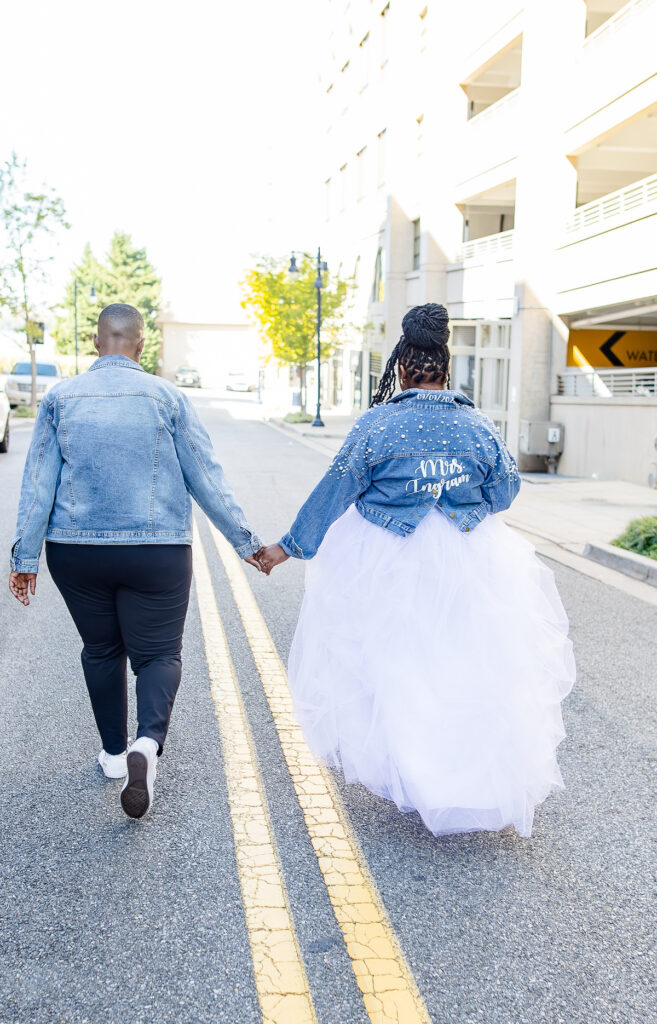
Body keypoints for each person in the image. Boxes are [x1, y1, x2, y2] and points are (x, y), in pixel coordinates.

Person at [258, 303, 575, 838]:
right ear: (446, 369)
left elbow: (335, 491)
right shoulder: (476, 425)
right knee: (459, 667)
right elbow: (505, 491)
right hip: (471, 561)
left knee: (397, 667)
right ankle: (457, 778)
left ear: (402, 368)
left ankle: (413, 772)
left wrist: (287, 548)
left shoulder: (378, 424)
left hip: (388, 563)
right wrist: (460, 502)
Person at [9, 303, 263, 819]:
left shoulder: (60, 398)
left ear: (97, 343)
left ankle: (110, 753)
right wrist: (245, 542)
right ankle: (145, 745)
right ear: (141, 347)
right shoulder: (167, 397)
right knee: (158, 655)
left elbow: (39, 484)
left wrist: (24, 558)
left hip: (76, 552)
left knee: (101, 649)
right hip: (157, 550)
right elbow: (205, 476)